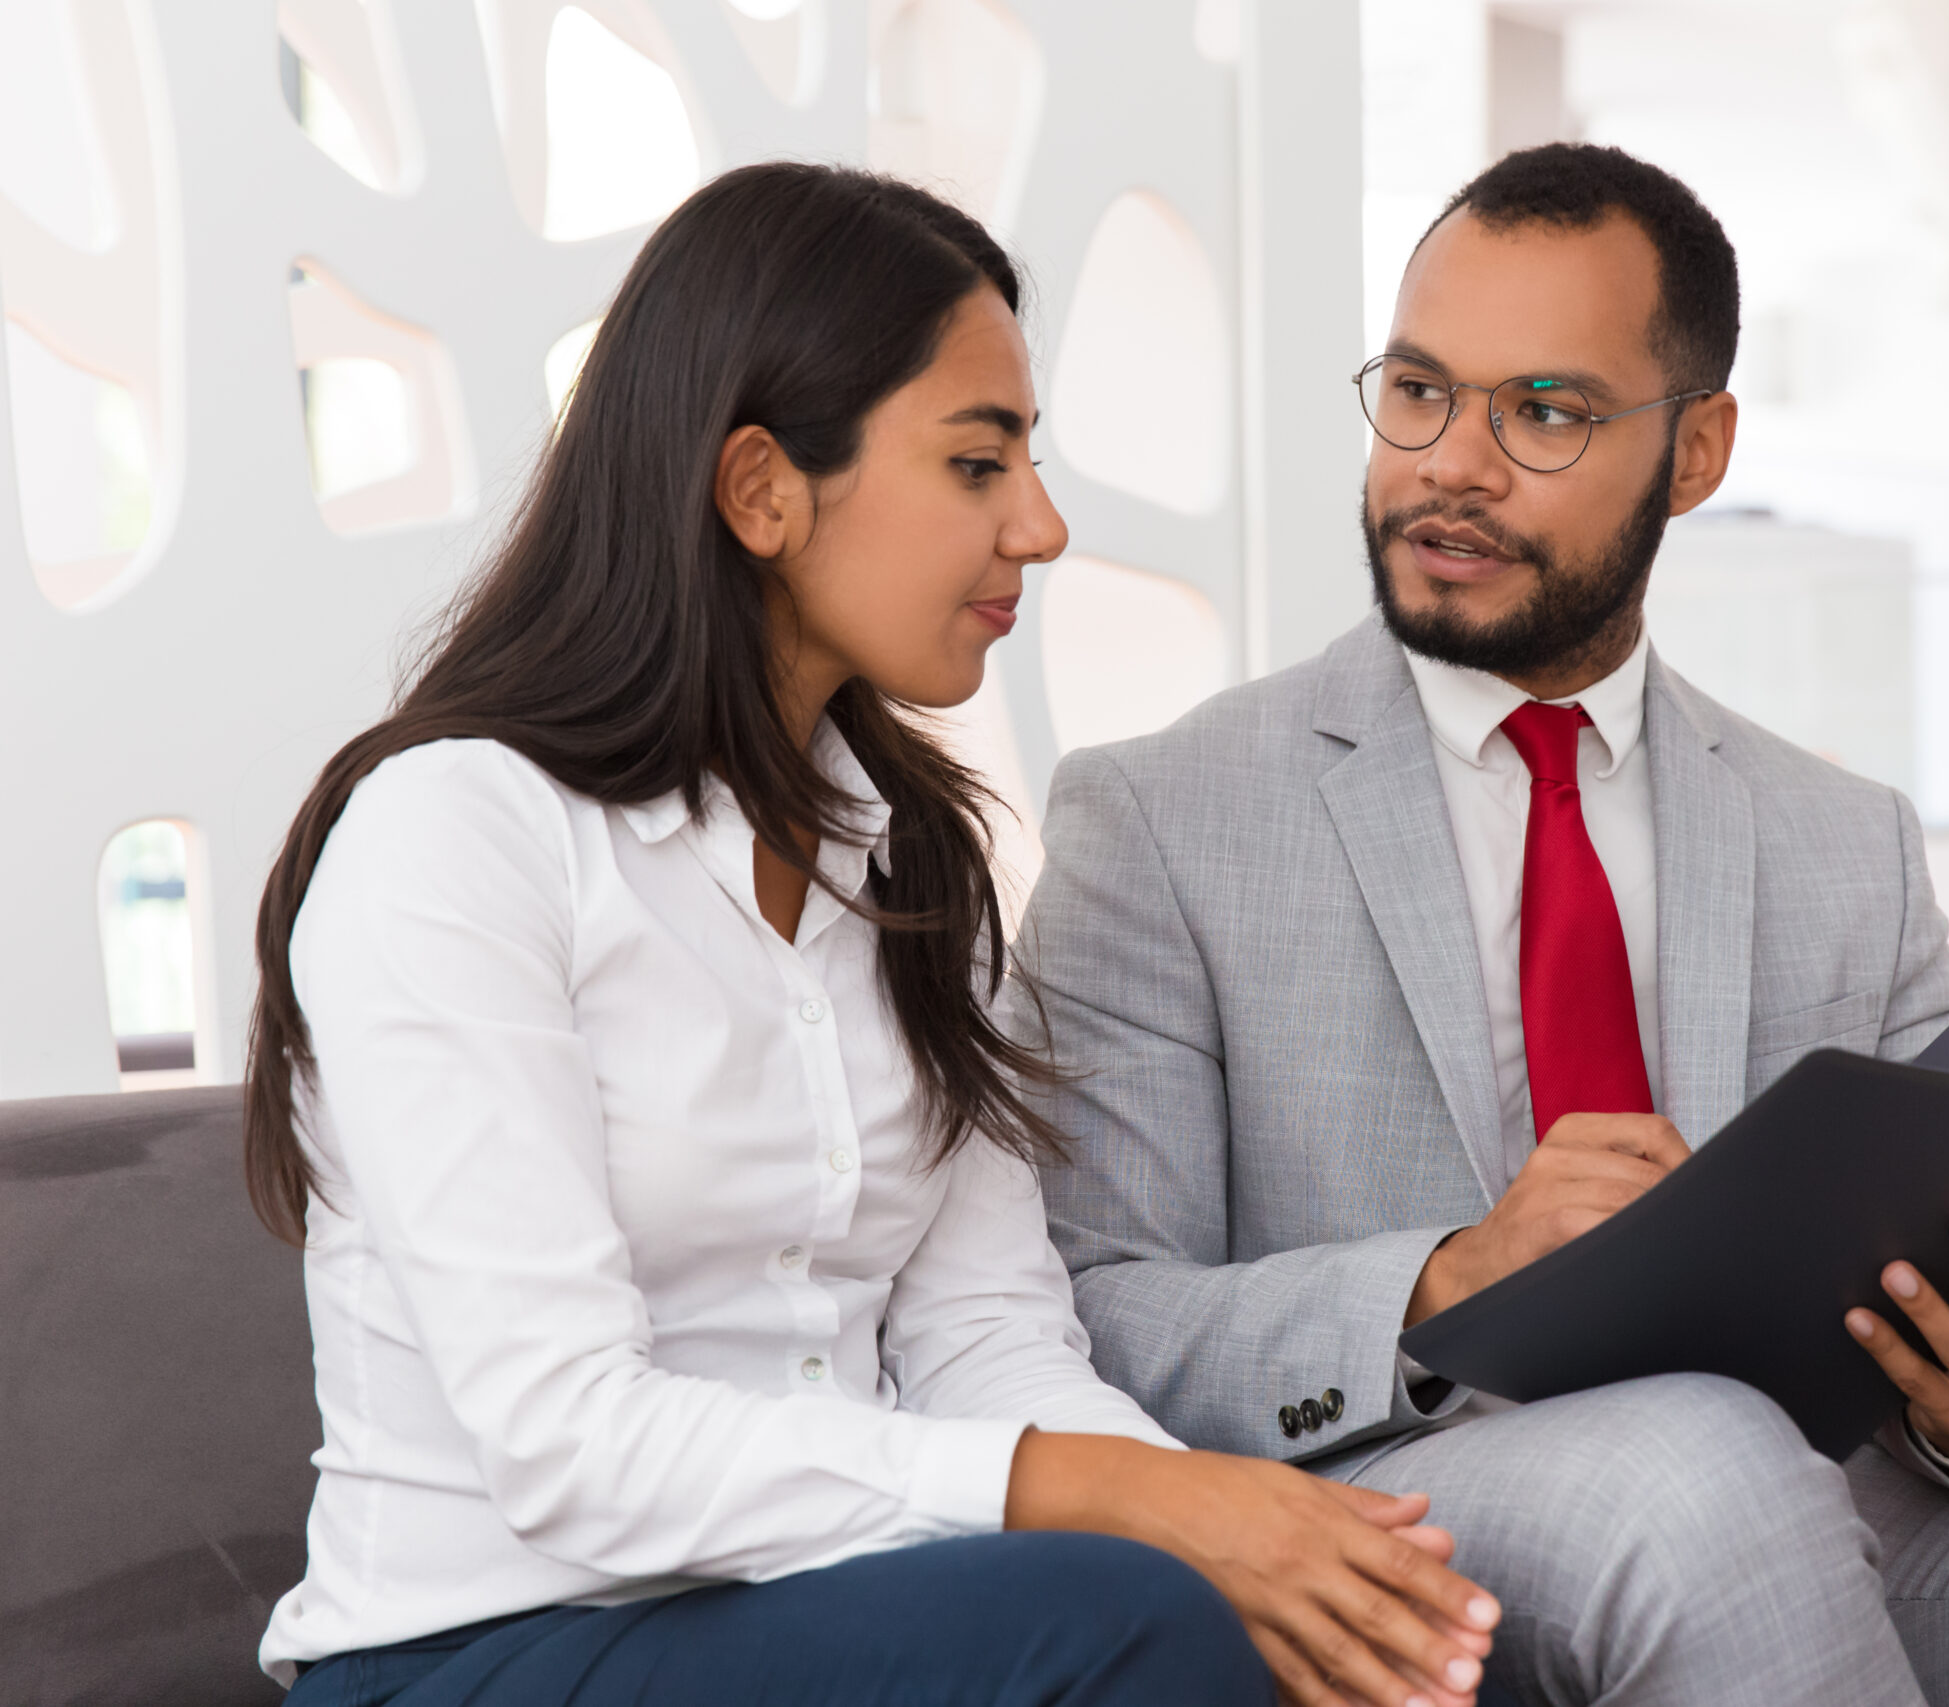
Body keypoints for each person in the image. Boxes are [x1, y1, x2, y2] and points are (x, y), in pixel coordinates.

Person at [241, 163, 1505, 1707]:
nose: (1037, 527)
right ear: (762, 488)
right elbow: (570, 1448)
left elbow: (986, 1339)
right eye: (978, 463)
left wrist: (1271, 1546)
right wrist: (1122, 1505)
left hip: (842, 1607)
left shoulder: (912, 862)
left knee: (1395, 1653)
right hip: (484, 1644)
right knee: (1127, 1623)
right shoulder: (459, 835)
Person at [1015, 143, 1949, 1707]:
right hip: (1413, 1479)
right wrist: (1445, 1277)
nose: (1452, 464)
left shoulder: (1843, 844)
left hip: (1796, 1479)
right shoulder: (1164, 820)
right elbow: (1095, 1312)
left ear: (1696, 450)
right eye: (1421, 392)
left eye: (1545, 414)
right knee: (1704, 1471)